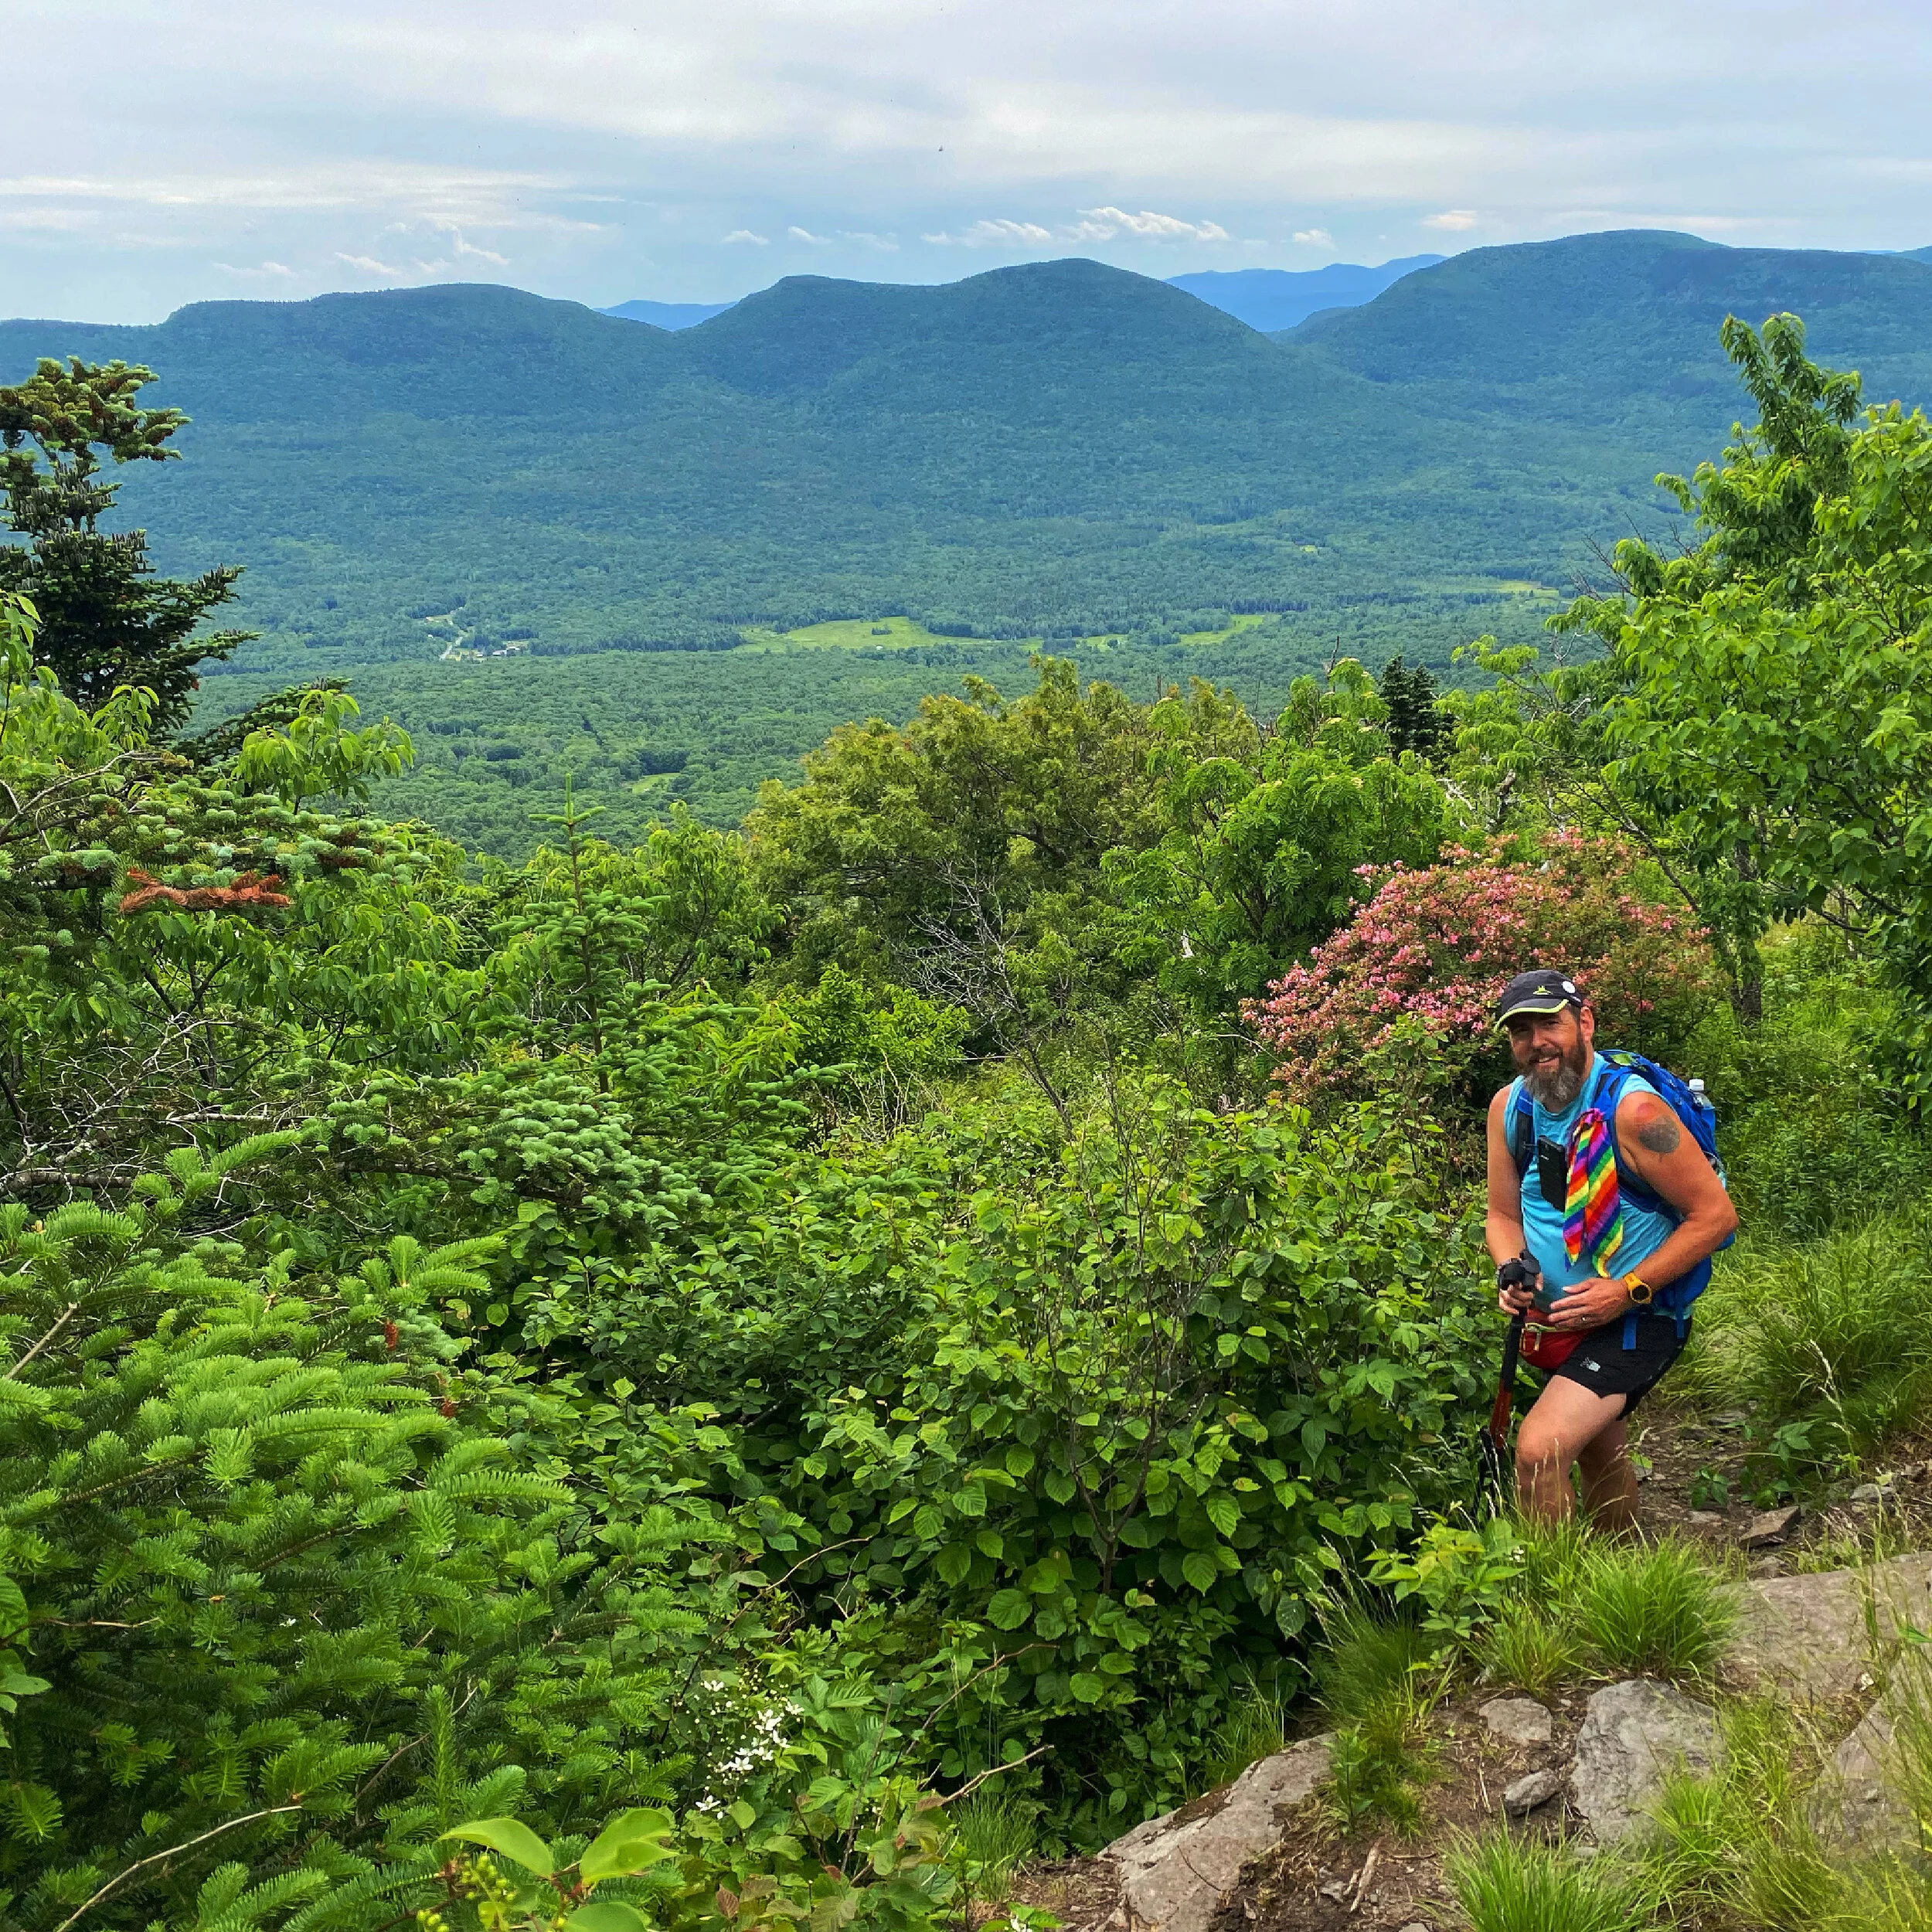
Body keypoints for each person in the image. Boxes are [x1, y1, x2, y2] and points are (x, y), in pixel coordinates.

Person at [1485, 968, 1736, 1528]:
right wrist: (1511, 1266)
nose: (1536, 1043)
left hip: (1641, 1315)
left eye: (1548, 1024)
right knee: (1600, 1450)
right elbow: (1502, 1216)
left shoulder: (1636, 1113)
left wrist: (1626, 1291)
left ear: (1585, 1022)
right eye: (1520, 1032)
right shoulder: (1510, 1109)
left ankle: (1550, 1600)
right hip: (1558, 1324)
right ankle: (1619, 1574)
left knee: (1539, 1451)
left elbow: (1715, 1217)